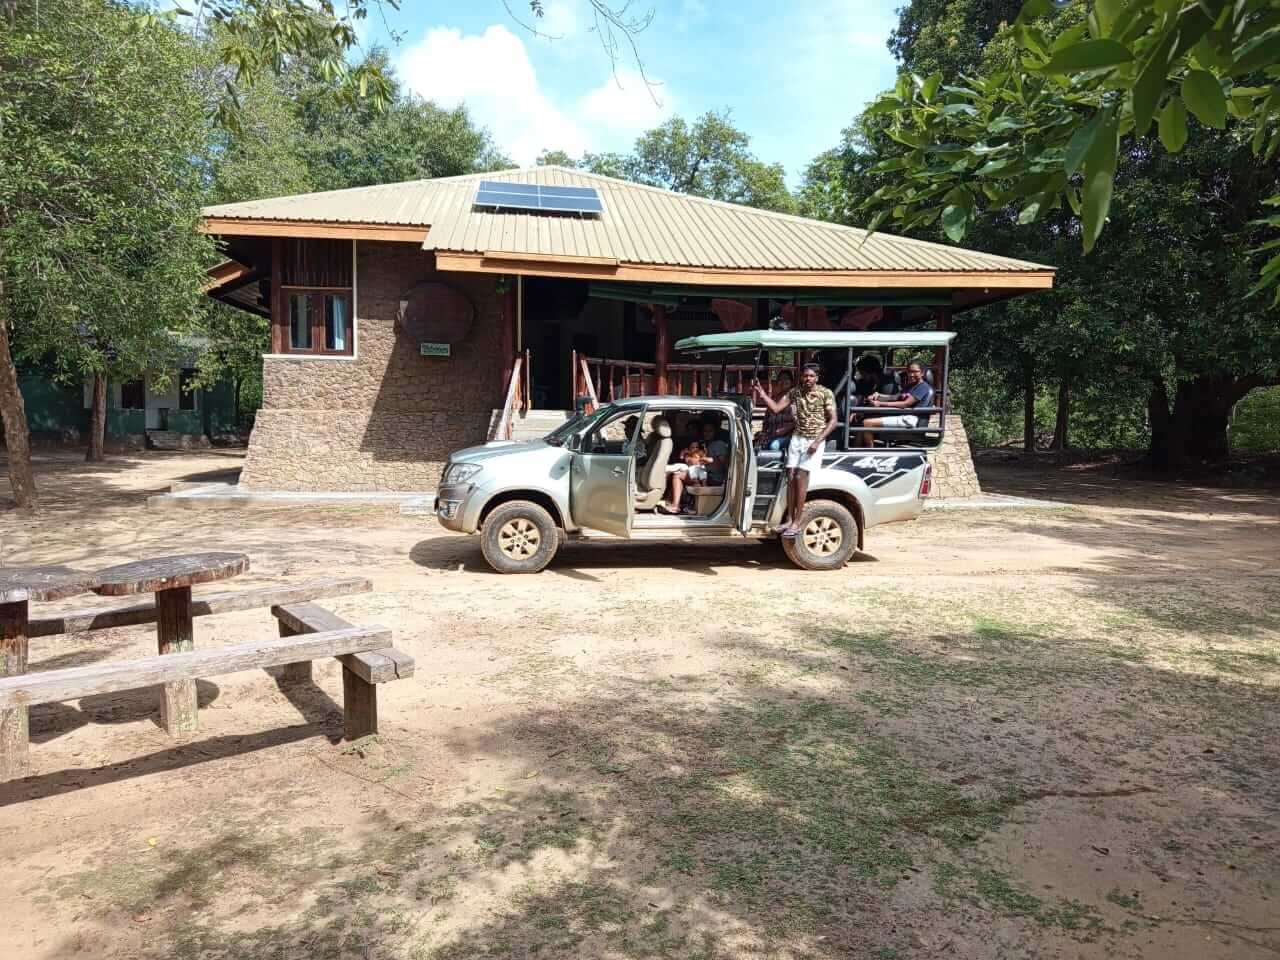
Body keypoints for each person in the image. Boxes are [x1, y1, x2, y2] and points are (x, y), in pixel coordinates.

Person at [752, 363, 837, 538]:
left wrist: (817, 441)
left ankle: (797, 522)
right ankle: (790, 519)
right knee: (790, 476)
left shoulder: (825, 393)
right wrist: (762, 394)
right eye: (805, 376)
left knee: (800, 477)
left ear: (817, 378)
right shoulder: (795, 392)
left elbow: (833, 420)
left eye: (811, 376)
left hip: (814, 439)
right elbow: (776, 408)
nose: (808, 379)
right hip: (798, 438)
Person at [660, 417, 730, 515]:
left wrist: (709, 461)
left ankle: (675, 506)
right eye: (705, 431)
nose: (707, 433)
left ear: (715, 432)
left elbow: (724, 463)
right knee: (678, 472)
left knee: (677, 475)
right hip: (702, 472)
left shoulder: (718, 444)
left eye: (710, 431)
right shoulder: (704, 444)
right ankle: (671, 501)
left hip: (713, 477)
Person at [860, 361, 933, 446]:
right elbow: (894, 397)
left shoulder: (923, 387)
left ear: (922, 373)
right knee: (863, 420)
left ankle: (870, 452)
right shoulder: (910, 386)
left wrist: (880, 403)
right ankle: (856, 448)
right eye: (909, 371)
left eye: (915, 372)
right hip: (903, 416)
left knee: (867, 423)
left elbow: (905, 404)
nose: (911, 374)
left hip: (910, 419)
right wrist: (878, 395)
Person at [758, 371, 795, 451]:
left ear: (791, 382)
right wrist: (763, 433)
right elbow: (766, 420)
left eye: (786, 379)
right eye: (780, 379)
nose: (783, 381)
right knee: (757, 447)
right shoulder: (774, 398)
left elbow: (776, 409)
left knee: (773, 446)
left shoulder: (792, 396)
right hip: (772, 435)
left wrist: (785, 429)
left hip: (788, 435)